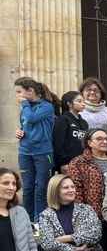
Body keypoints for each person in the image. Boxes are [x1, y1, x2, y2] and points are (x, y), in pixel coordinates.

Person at [14, 77, 59, 221]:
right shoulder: (26, 108)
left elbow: (32, 118)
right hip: (25, 152)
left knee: (41, 189)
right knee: (27, 189)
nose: (18, 96)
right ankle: (27, 221)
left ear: (30, 91)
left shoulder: (46, 106)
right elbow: (26, 124)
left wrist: (25, 104)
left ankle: (39, 221)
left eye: (20, 92)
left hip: (43, 153)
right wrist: (19, 131)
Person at [0, 168, 39, 251]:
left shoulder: (21, 213)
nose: (11, 187)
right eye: (5, 183)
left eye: (14, 184)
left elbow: (31, 248)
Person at [51, 91, 88, 173]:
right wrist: (63, 162)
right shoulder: (62, 120)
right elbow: (58, 143)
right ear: (69, 104)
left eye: (83, 101)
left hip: (82, 163)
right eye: (79, 101)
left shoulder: (84, 123)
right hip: (68, 164)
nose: (83, 104)